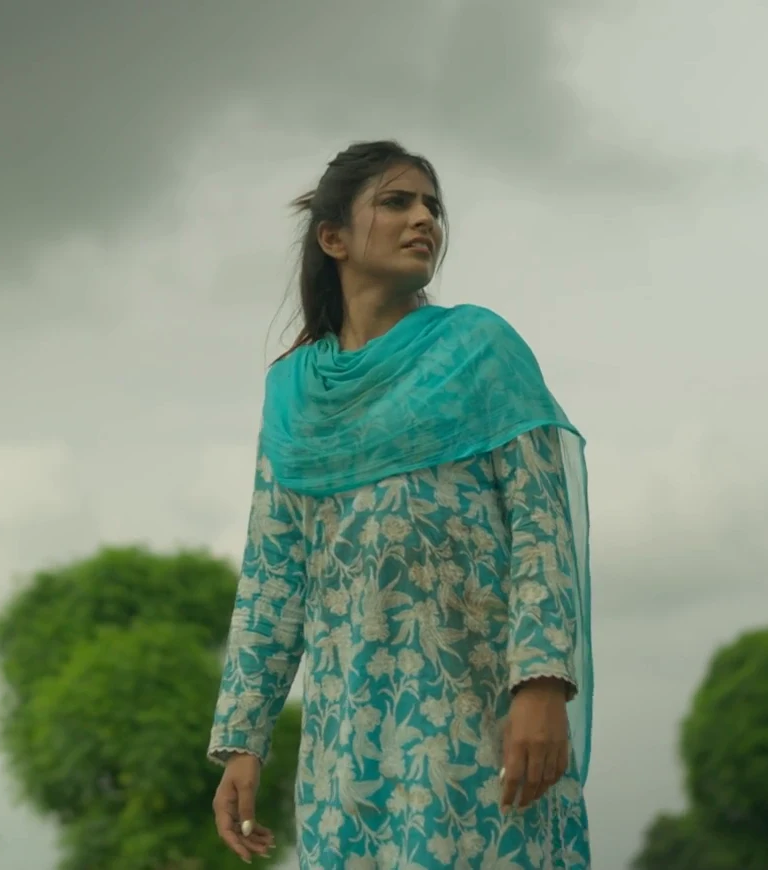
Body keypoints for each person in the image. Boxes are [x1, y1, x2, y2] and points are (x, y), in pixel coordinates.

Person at [206, 140, 595, 869]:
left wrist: (542, 685)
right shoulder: (294, 393)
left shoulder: (480, 347)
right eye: (397, 202)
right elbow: (272, 577)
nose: (425, 220)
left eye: (432, 207)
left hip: (481, 713)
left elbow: (542, 525)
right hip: (349, 738)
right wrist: (242, 742)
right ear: (333, 239)